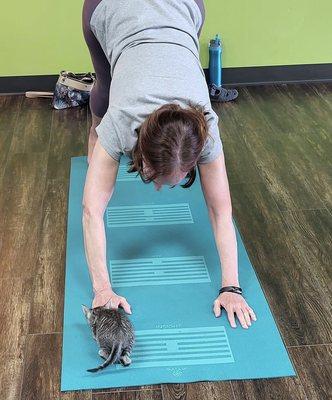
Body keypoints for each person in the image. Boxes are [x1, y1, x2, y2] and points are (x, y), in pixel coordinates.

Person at [81, 0, 257, 329]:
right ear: (139, 149)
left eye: (173, 179)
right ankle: (95, 142)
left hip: (183, 6)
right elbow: (92, 210)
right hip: (108, 7)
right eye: (156, 177)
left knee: (182, 43)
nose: (160, 187)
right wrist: (102, 289)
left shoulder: (207, 131)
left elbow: (221, 211)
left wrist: (231, 287)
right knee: (105, 92)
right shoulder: (122, 122)